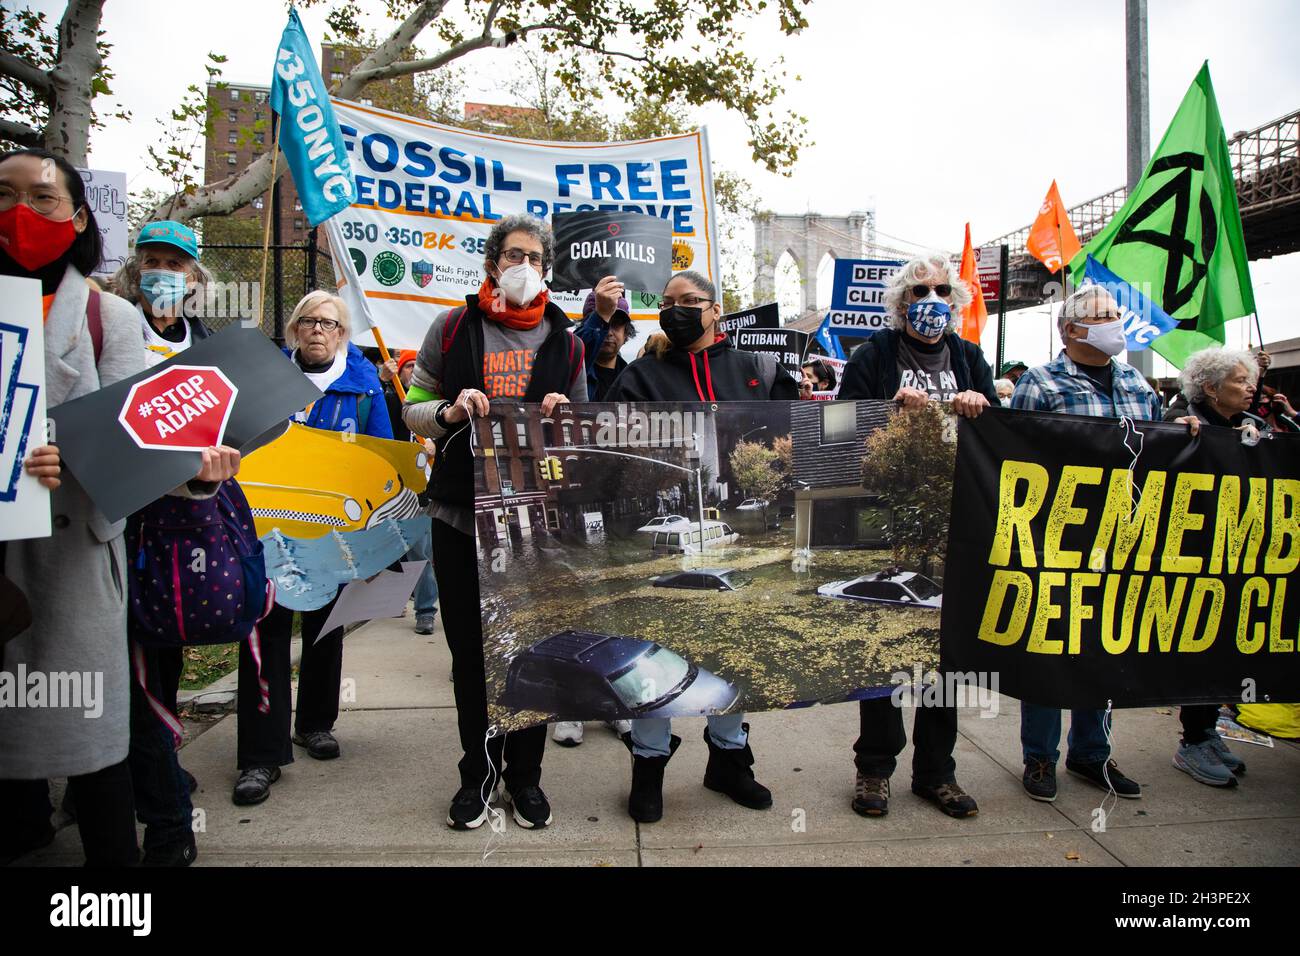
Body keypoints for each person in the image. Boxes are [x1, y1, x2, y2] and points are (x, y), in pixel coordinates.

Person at [0, 147, 236, 865]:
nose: (19, 212)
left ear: (76, 218)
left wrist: (194, 476)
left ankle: (125, 866)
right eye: (3, 194)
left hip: (71, 559)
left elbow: (146, 448)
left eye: (41, 198)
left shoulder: (108, 321)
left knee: (95, 727)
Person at [402, 214, 585, 831]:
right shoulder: (452, 329)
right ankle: (476, 776)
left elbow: (585, 436)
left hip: (535, 523)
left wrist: (567, 417)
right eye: (513, 255)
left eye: (534, 257)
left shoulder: (571, 342)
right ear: (490, 263)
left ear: (547, 268)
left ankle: (526, 778)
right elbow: (412, 409)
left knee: (532, 653)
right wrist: (451, 412)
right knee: (472, 656)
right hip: (458, 518)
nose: (524, 267)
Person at [605, 269, 798, 824]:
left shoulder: (757, 372)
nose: (678, 310)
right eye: (668, 303)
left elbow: (799, 435)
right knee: (655, 654)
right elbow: (609, 450)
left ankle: (730, 760)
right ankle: (649, 767)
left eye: (690, 301)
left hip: (728, 550)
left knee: (732, 647)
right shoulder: (641, 377)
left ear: (716, 311)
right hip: (665, 556)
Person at [837, 253, 993, 820]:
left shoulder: (970, 357)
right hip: (889, 519)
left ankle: (936, 773)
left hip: (954, 519)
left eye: (942, 289)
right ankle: (874, 772)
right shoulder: (873, 356)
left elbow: (995, 436)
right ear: (902, 302)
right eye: (920, 289)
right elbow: (841, 427)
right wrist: (888, 413)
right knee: (885, 649)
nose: (932, 298)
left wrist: (982, 407)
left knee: (942, 652)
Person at [232, 291, 393, 807]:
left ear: (343, 335)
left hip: (332, 537)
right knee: (266, 636)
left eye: (330, 323)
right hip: (269, 533)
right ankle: (261, 751)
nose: (319, 330)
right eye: (308, 321)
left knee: (325, 630)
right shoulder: (266, 382)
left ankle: (316, 723)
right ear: (294, 330)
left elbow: (382, 459)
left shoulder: (365, 389)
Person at [1011, 285, 1161, 803]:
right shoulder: (1041, 382)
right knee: (1051, 647)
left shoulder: (1136, 381)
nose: (1116, 323)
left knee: (1102, 644)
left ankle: (1092, 755)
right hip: (1059, 536)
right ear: (1072, 329)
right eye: (1104, 317)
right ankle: (1040, 757)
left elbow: (1157, 451)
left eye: (1116, 316)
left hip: (1121, 535)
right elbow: (1018, 456)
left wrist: (1191, 434)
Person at [1163, 347, 1262, 787]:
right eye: (1241, 381)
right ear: (1210, 388)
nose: (1250, 388)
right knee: (1198, 643)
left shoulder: (1245, 427)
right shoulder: (1181, 419)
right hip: (1192, 557)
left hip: (1233, 554)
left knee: (1224, 645)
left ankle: (1206, 731)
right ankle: (1193, 741)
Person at [378, 349, 441, 636]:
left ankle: (426, 609)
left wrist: (435, 448)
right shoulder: (392, 402)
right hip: (395, 491)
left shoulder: (437, 406)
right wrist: (383, 381)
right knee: (400, 550)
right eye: (408, 366)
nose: (413, 371)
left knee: (423, 552)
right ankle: (406, 603)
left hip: (427, 491)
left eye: (418, 366)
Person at [109, 219, 212, 366]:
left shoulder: (208, 344)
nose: (161, 271)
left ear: (193, 279)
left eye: (174, 264)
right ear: (137, 273)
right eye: (151, 261)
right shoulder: (111, 327)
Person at [576, 277, 637, 402]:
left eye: (616, 324)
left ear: (626, 332)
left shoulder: (634, 377)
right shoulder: (573, 372)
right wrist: (601, 315)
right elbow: (576, 349)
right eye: (602, 323)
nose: (608, 332)